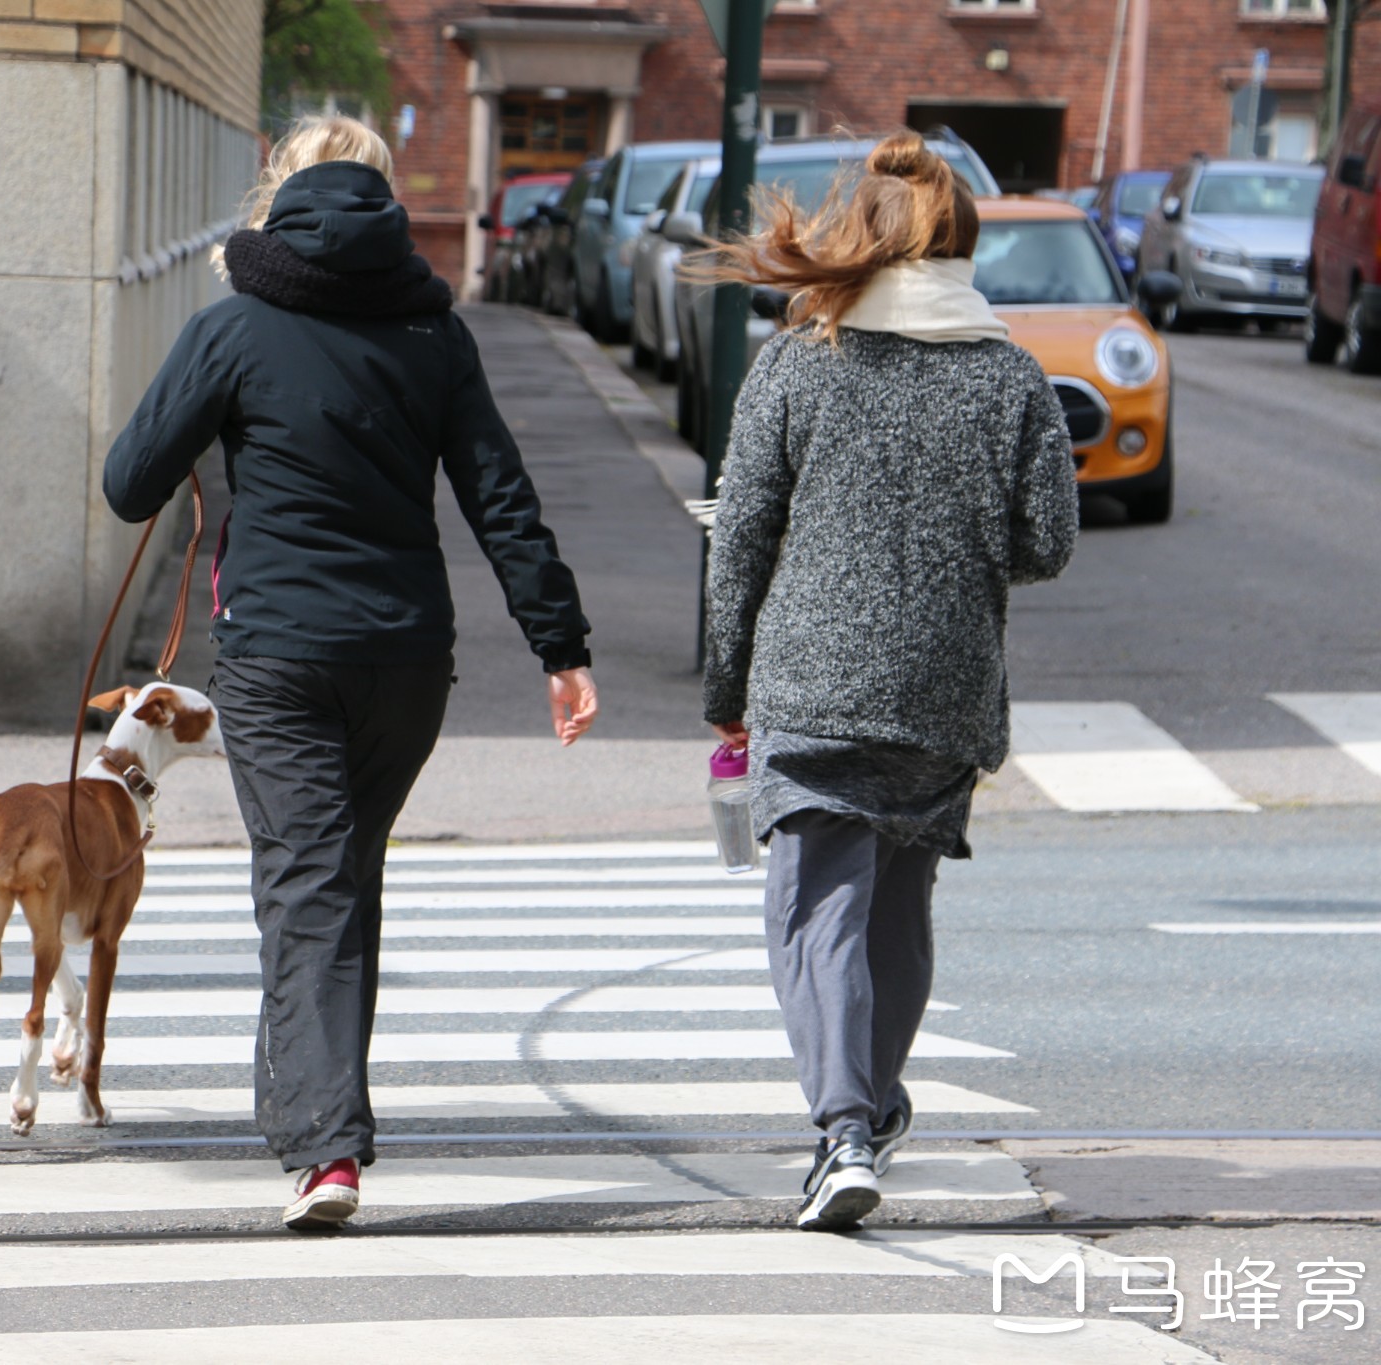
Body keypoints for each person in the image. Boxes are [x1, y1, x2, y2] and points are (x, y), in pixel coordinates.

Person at [102, 116, 598, 1231]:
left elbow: (129, 484)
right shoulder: (433, 332)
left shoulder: (234, 325)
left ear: (278, 198)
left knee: (308, 884)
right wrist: (558, 647)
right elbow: (499, 497)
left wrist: (206, 425)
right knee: (334, 879)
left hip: (280, 654)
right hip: (408, 664)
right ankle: (299, 1107)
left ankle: (325, 1149)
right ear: (381, 206)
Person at [698, 132, 1078, 1231]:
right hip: (945, 684)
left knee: (815, 904)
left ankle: (844, 1131)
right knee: (898, 905)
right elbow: (1046, 541)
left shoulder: (796, 361)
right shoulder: (1008, 373)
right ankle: (871, 1106)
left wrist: (727, 682)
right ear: (960, 239)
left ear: (850, 239)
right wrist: (956, 547)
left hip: (810, 676)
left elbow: (742, 537)